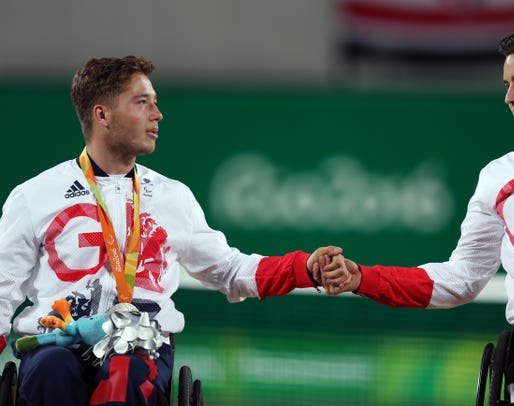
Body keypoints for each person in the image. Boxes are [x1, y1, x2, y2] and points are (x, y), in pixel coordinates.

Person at [318, 23, 514, 405]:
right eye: (507, 84)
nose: (509, 96)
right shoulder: (498, 174)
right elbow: (461, 278)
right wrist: (363, 278)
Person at [0, 55, 347, 406]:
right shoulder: (34, 197)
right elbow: (2, 288)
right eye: (142, 102)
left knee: (126, 372)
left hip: (141, 348)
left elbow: (229, 270)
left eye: (156, 102)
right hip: (54, 344)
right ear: (101, 114)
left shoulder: (172, 197)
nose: (157, 114)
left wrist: (304, 268)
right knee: (52, 371)